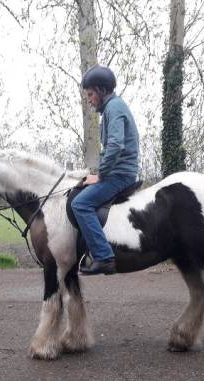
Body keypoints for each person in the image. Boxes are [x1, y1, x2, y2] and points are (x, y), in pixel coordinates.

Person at [72, 65, 140, 275]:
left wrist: (100, 175)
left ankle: (103, 256)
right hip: (117, 172)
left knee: (80, 204)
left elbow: (116, 145)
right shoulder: (112, 109)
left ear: (101, 90)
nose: (89, 99)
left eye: (91, 94)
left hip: (120, 175)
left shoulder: (114, 108)